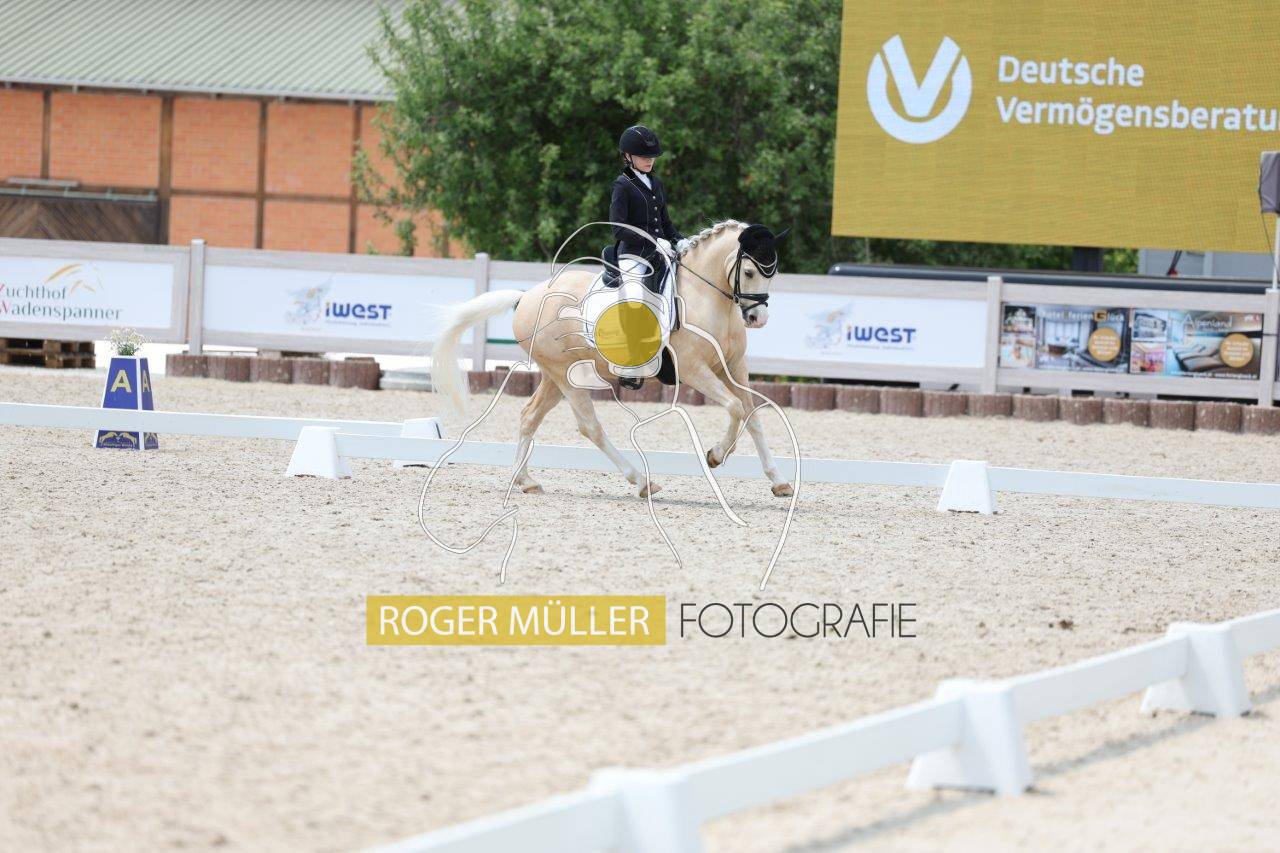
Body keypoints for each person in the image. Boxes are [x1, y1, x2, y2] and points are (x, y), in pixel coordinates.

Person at [608, 125, 690, 294]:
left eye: (652, 156)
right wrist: (655, 241)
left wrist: (679, 240)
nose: (649, 160)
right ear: (628, 156)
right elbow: (619, 229)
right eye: (643, 156)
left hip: (662, 254)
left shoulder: (656, 183)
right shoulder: (622, 185)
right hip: (634, 256)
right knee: (636, 299)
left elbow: (665, 223)